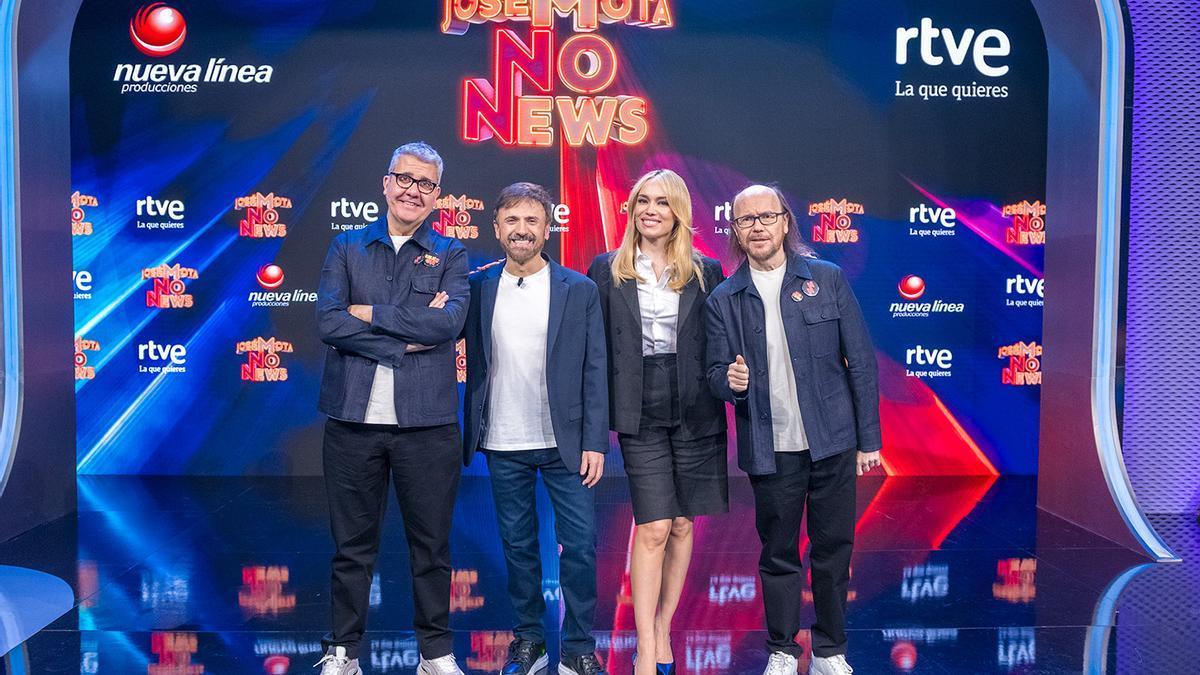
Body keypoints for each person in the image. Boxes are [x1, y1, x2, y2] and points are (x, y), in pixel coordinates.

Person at [704, 184, 882, 675]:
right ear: (736, 232)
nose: (757, 226)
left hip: (832, 444)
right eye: (746, 220)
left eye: (766, 216)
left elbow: (861, 364)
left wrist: (870, 441)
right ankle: (782, 651)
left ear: (785, 222)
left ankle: (830, 650)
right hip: (770, 448)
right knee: (778, 554)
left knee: (832, 551)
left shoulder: (827, 278)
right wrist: (729, 382)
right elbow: (714, 373)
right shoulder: (724, 297)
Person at [314, 142, 470, 675]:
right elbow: (329, 322)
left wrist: (370, 314)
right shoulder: (347, 247)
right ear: (386, 183)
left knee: (431, 547)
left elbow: (446, 326)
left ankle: (435, 654)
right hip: (352, 422)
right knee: (352, 547)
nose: (413, 191)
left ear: (437, 196)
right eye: (405, 179)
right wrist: (402, 338)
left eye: (425, 184)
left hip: (427, 425)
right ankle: (343, 653)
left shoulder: (451, 253)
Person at [462, 182, 610, 675]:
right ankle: (529, 640)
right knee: (519, 546)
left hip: (566, 443)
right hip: (503, 441)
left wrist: (595, 441)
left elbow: (595, 368)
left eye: (532, 221)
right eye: (512, 221)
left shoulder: (580, 289)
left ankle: (578, 645)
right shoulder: (477, 286)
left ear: (549, 228)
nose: (521, 230)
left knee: (582, 545)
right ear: (497, 227)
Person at [586, 169, 727, 675]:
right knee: (654, 526)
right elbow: (595, 350)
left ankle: (664, 624)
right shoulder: (606, 269)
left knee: (685, 523)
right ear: (631, 210)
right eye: (642, 201)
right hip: (636, 403)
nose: (650, 210)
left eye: (661, 203)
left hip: (695, 405)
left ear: (679, 213)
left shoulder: (707, 271)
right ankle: (645, 644)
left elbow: (721, 341)